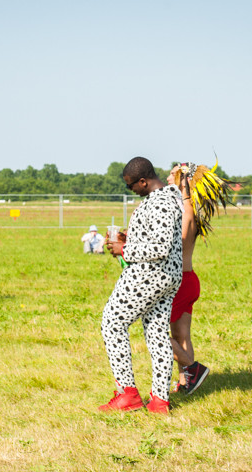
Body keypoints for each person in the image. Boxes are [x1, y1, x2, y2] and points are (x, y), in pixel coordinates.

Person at [99, 156, 183, 414]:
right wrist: (128, 238)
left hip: (148, 275)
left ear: (143, 181)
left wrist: (125, 248)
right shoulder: (169, 198)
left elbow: (159, 247)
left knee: (112, 322)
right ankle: (159, 400)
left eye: (131, 185)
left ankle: (128, 394)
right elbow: (157, 237)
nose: (130, 190)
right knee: (157, 333)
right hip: (167, 276)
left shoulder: (160, 203)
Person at [167, 165, 209, 395]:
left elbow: (176, 243)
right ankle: (187, 382)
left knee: (157, 334)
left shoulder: (185, 210)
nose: (165, 178)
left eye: (170, 175)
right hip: (189, 279)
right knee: (181, 335)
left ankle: (194, 369)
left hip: (180, 282)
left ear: (182, 182)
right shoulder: (188, 208)